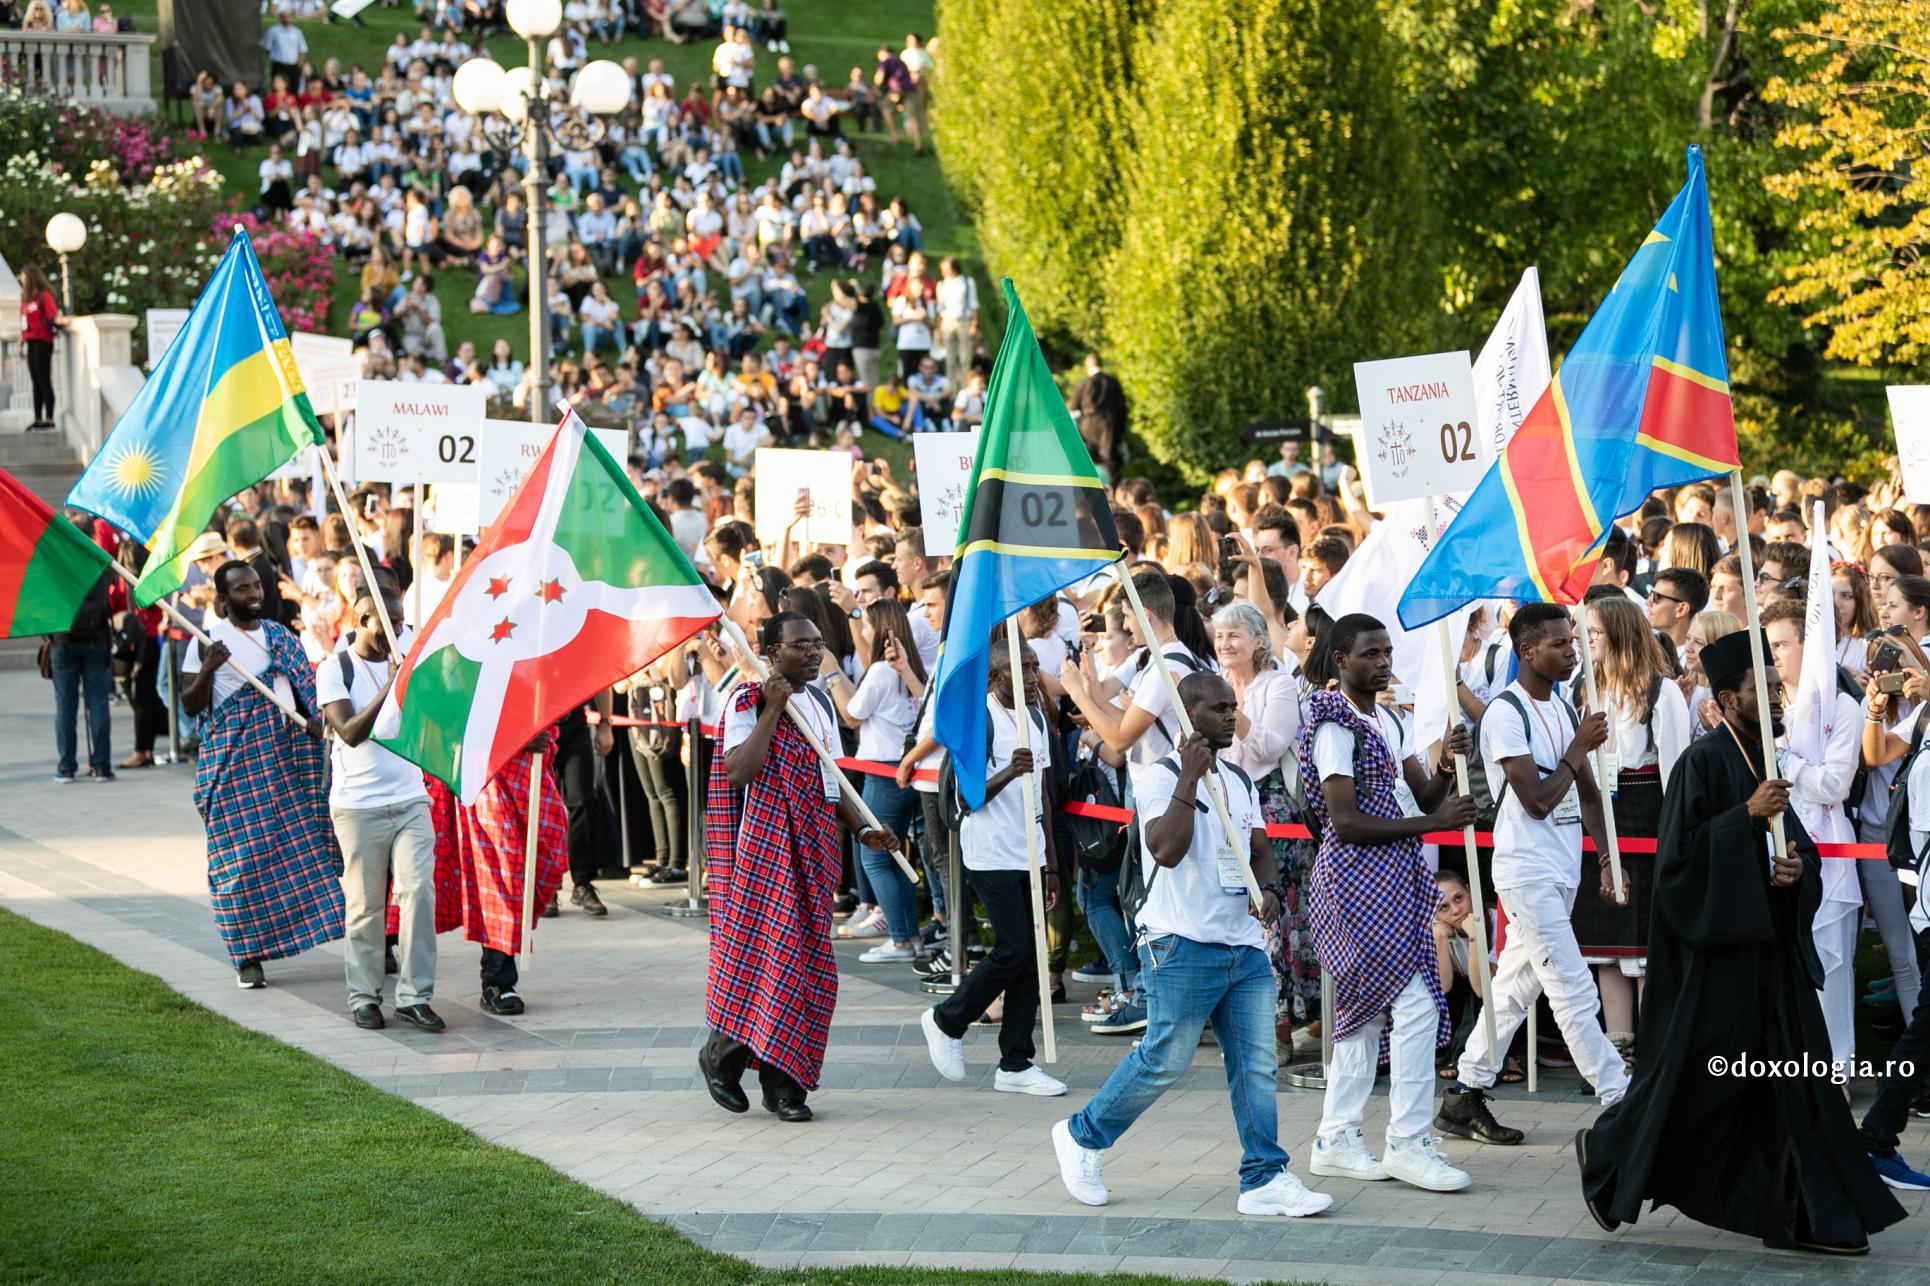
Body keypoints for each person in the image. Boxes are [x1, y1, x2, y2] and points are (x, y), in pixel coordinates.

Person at [1577, 630, 1907, 1253]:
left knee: (1791, 1083)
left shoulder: (1769, 759)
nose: (1778, 699)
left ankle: (1803, 1212)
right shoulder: (1703, 762)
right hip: (1718, 961)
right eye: (1763, 690)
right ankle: (1610, 1150)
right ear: (1728, 698)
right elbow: (1678, 867)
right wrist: (1743, 818)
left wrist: (1795, 870)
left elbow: (1796, 846)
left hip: (1771, 953)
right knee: (1700, 1082)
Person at [1052, 672, 1331, 1217]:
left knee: (1255, 1065)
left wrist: (1269, 888)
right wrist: (1188, 777)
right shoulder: (1160, 777)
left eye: (1234, 706)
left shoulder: (1241, 780)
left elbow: (1258, 849)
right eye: (1218, 708)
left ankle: (1264, 1176)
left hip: (1243, 947)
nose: (1231, 716)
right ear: (1188, 718)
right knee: (1165, 1058)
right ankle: (1083, 1135)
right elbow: (1165, 849)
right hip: (1180, 943)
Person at [1436, 602, 1628, 1144]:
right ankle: (1619, 1098)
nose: (1573, 652)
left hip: (1561, 869)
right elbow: (1538, 800)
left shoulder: (1565, 708)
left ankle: (1464, 1095)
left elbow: (1587, 792)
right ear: (1527, 651)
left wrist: (1608, 858)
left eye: (1573, 642)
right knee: (1571, 989)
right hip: (1526, 873)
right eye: (1561, 644)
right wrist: (1577, 749)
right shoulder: (1504, 713)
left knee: (1514, 989)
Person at [699, 612, 901, 1123]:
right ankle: (723, 1058)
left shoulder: (821, 705)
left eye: (817, 644)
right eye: (799, 645)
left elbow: (832, 781)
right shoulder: (747, 700)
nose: (813, 652)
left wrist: (862, 830)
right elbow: (739, 771)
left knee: (806, 970)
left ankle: (780, 1082)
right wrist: (771, 710)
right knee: (769, 960)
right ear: (771, 653)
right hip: (765, 853)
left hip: (815, 852)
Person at [1299, 614, 1476, 1192]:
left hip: (1392, 881)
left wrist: (1447, 766)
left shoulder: (1387, 719)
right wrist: (1434, 822)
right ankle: (1405, 1142)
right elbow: (1344, 822)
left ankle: (1337, 1136)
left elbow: (1418, 793)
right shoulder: (1334, 727)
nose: (1383, 662)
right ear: (1339, 662)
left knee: (1367, 1014)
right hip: (1354, 883)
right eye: (1370, 654)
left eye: (1387, 652)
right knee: (1417, 1006)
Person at [180, 562, 344, 989]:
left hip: (285, 760)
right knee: (240, 860)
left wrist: (314, 722)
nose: (253, 593)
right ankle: (245, 955)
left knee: (298, 848)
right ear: (223, 597)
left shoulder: (279, 637)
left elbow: (307, 692)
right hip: (234, 766)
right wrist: (209, 667)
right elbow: (190, 704)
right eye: (242, 589)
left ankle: (352, 939)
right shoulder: (206, 641)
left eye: (256, 585)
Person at [919, 641, 1067, 1097]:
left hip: (1030, 852)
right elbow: (965, 798)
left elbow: (1040, 793)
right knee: (1014, 948)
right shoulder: (980, 719)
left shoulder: (1037, 716)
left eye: (1034, 666)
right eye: (1019, 668)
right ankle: (947, 1019)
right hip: (990, 853)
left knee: (1031, 958)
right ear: (994, 677)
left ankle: (1016, 1062)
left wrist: (1052, 865)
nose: (1029, 675)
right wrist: (1008, 771)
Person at [317, 589, 442, 1032]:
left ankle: (414, 996)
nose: (397, 630)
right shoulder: (335, 669)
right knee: (366, 907)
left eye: (401, 620)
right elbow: (349, 732)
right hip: (357, 806)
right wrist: (392, 686)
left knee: (419, 892)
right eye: (386, 621)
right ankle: (364, 996)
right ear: (360, 619)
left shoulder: (408, 654)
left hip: (410, 798)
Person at [1572, 593, 1689, 1062]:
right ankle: (1617, 1045)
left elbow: (1676, 768)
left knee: (1641, 939)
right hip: (1599, 810)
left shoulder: (1662, 691)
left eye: (1594, 632)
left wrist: (1675, 834)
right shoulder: (1585, 686)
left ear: (1618, 634)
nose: (1587, 641)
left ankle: (1652, 1047)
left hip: (1646, 809)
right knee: (1606, 938)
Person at [425, 730, 569, 1015]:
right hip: (483, 776)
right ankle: (498, 981)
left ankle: (499, 976)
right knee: (501, 875)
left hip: (529, 772)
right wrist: (514, 738)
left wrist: (540, 731)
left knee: (545, 860)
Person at [48, 551, 113, 783]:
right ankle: (102, 766)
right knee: (98, 705)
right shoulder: (97, 563)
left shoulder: (57, 564)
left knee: (65, 707)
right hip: (95, 641)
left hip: (63, 641)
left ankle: (66, 767)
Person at [1067, 354, 1128, 484]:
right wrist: (1121, 432)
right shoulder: (1112, 382)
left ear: (1087, 366)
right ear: (1101, 364)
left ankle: (1089, 488)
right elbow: (1122, 409)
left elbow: (1072, 407)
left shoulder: (1084, 383)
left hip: (1088, 424)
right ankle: (1113, 491)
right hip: (1108, 425)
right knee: (1109, 460)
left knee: (1088, 458)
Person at [19, 264, 60, 431]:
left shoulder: (45, 296)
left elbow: (53, 316)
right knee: (35, 382)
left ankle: (49, 419)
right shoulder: (25, 299)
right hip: (30, 342)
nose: (21, 279)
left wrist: (65, 320)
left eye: (23, 276)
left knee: (44, 380)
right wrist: (20, 343)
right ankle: (37, 418)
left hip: (43, 341)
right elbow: (23, 323)